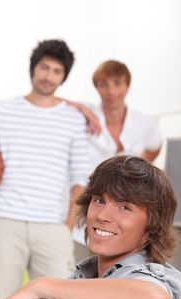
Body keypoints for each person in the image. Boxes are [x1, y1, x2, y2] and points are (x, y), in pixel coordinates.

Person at [0, 39, 90, 299]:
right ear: (33, 68)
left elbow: (80, 178)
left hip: (52, 226)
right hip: (3, 220)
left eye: (57, 71)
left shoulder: (73, 119)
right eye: (44, 67)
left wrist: (67, 226)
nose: (49, 76)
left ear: (63, 77)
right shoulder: (2, 110)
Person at [4, 155, 181, 299]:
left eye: (125, 207)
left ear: (152, 226)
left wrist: (40, 286)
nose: (102, 216)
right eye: (99, 201)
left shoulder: (144, 278)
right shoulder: (85, 275)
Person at [71, 59, 162, 248]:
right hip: (84, 212)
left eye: (117, 83)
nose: (111, 91)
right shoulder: (82, 117)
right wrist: (83, 109)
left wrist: (138, 165)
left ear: (127, 86)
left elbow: (155, 146)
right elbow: (49, 100)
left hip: (123, 217)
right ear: (97, 88)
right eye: (104, 84)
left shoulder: (143, 123)